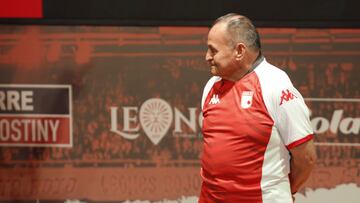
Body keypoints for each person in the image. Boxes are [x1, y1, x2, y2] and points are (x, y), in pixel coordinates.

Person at [199, 13, 316, 203]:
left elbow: (306, 159)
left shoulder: (276, 85)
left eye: (213, 50)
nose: (207, 57)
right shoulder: (210, 87)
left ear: (239, 51)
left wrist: (281, 192)